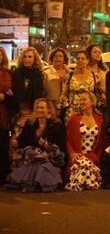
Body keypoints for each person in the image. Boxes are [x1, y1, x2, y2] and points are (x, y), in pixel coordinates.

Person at [7, 98, 65, 192]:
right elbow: (22, 142)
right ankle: (35, 184)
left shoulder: (56, 125)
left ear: (49, 110)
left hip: (50, 156)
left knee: (41, 162)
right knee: (34, 157)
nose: (39, 110)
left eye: (42, 107)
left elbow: (61, 146)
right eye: (37, 107)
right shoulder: (30, 123)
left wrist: (46, 145)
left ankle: (36, 184)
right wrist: (33, 149)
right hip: (33, 155)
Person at [65, 91, 107, 191]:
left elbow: (102, 143)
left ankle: (79, 182)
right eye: (80, 100)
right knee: (84, 163)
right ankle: (90, 182)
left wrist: (96, 156)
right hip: (78, 156)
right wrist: (71, 153)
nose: (81, 102)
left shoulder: (100, 119)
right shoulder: (74, 119)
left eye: (84, 99)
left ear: (92, 102)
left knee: (87, 163)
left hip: (93, 157)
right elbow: (68, 139)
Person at [59, 51, 99, 124]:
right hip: (72, 112)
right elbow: (64, 94)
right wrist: (62, 108)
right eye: (78, 59)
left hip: (89, 112)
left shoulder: (94, 76)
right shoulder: (69, 76)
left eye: (83, 59)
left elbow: (97, 94)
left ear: (87, 60)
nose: (80, 61)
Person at [12, 47, 44, 113]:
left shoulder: (38, 73)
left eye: (30, 57)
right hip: (19, 109)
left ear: (34, 59)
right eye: (25, 57)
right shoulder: (17, 72)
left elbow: (40, 93)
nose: (27, 59)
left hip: (34, 109)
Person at [43, 47, 71, 118]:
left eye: (60, 56)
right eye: (55, 56)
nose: (57, 58)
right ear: (52, 58)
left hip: (67, 105)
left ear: (64, 59)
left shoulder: (70, 73)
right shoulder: (46, 72)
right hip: (51, 105)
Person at [0, 47, 13, 184]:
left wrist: (4, 96)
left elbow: (12, 95)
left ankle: (3, 176)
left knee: (3, 145)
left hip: (3, 115)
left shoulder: (8, 73)